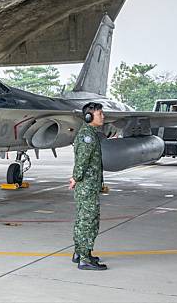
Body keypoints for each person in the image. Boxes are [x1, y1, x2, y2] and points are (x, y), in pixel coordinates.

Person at [69, 102, 107, 271]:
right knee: (88, 221)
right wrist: (76, 178)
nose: (103, 117)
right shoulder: (88, 137)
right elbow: (82, 161)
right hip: (87, 186)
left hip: (87, 185)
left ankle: (79, 253)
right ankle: (85, 258)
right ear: (89, 117)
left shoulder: (89, 133)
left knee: (82, 219)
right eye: (100, 114)